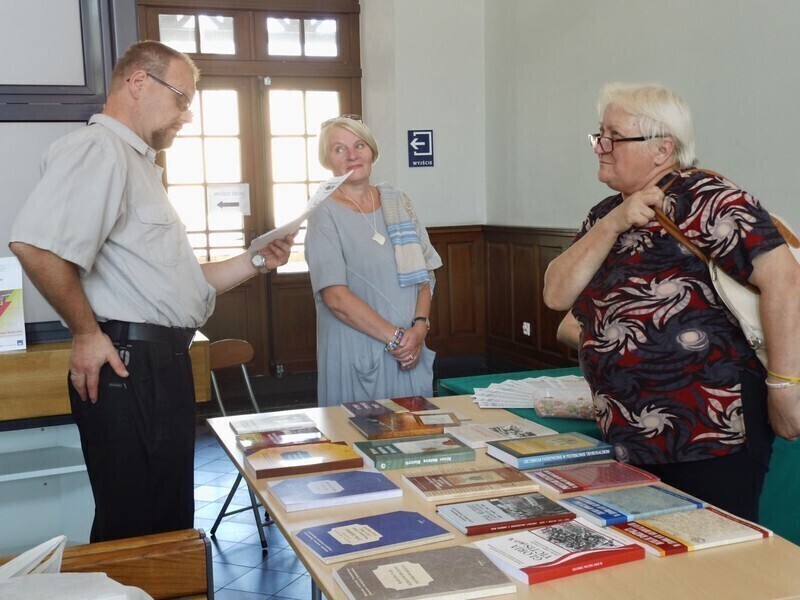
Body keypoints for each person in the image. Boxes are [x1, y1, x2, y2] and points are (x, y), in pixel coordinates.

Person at [9, 41, 294, 543]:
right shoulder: (100, 149)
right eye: (182, 98)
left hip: (156, 364)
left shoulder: (138, 165)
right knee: (135, 530)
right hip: (130, 365)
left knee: (164, 524)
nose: (186, 115)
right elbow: (35, 246)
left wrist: (256, 259)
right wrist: (85, 332)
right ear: (139, 82)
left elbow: (180, 287)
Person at [543, 82, 800, 522]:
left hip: (712, 430)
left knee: (716, 559)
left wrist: (784, 385)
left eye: (612, 136)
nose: (600, 147)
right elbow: (555, 294)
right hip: (629, 431)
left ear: (662, 149)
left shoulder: (710, 199)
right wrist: (613, 223)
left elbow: (786, 280)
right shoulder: (604, 213)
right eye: (598, 135)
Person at [304, 116, 442, 407]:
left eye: (359, 145)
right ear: (326, 159)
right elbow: (336, 298)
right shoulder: (322, 212)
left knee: (416, 440)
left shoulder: (398, 201)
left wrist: (418, 330)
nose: (352, 155)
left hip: (409, 351)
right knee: (358, 443)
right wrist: (397, 340)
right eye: (339, 149)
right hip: (357, 352)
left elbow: (425, 275)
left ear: (372, 151)